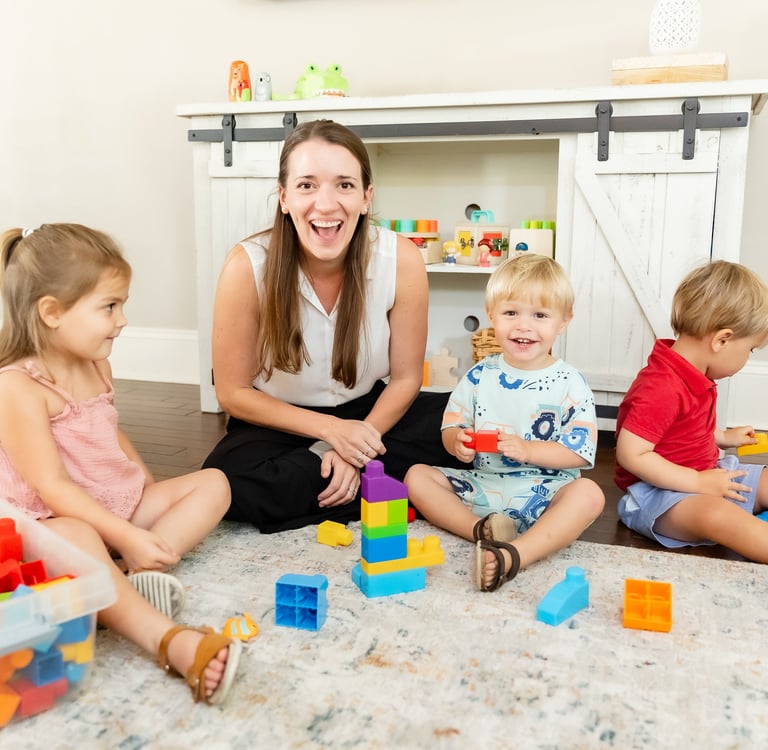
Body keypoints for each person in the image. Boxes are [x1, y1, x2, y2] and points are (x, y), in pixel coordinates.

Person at [0, 224, 241, 705]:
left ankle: (129, 577)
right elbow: (51, 487)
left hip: (108, 505)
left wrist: (144, 485)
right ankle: (169, 640)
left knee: (215, 483)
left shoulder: (97, 365)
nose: (123, 320)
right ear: (52, 312)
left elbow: (111, 430)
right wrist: (125, 532)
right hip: (48, 520)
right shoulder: (17, 387)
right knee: (83, 536)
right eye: (109, 307)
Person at [202, 119, 462, 533]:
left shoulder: (402, 258)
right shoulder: (246, 265)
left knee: (470, 423)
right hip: (279, 421)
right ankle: (395, 484)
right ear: (284, 198)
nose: (326, 205)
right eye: (307, 185)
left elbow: (407, 378)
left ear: (365, 197)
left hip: (374, 414)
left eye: (344, 185)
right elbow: (233, 393)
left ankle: (345, 479)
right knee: (230, 480)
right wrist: (331, 434)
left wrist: (353, 449)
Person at [404, 253, 605, 592]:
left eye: (540, 315)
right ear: (492, 316)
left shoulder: (571, 382)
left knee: (589, 494)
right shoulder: (479, 375)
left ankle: (516, 555)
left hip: (547, 492)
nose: (523, 326)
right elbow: (451, 425)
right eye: (511, 313)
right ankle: (480, 531)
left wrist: (528, 450)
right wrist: (458, 443)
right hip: (485, 486)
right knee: (416, 477)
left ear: (563, 321)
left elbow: (580, 453)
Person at [614, 259, 768, 562]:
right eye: (749, 350)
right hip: (659, 494)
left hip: (707, 473)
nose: (746, 358)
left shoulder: (695, 373)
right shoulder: (662, 386)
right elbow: (631, 454)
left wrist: (722, 437)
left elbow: (683, 429)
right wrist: (698, 484)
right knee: (716, 515)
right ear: (722, 340)